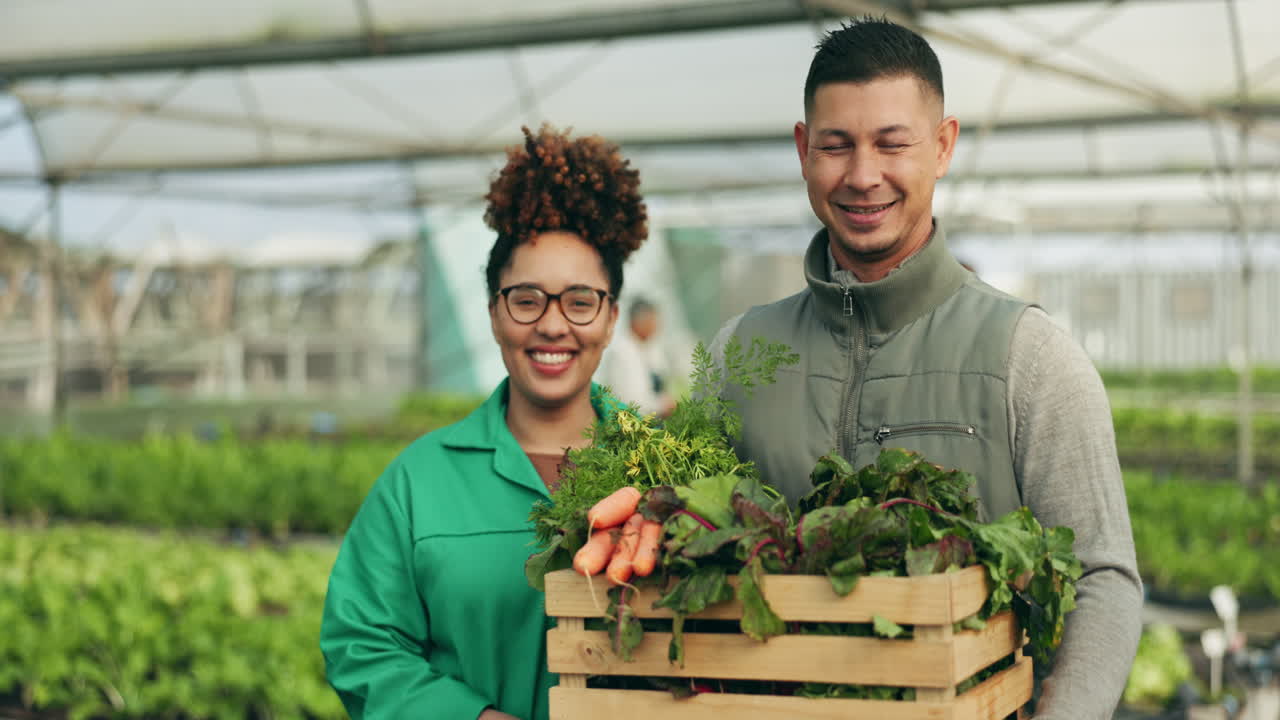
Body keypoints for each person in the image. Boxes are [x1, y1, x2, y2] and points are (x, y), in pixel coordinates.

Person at [710, 18, 1142, 720]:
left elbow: (1104, 580)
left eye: (892, 143)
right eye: (836, 146)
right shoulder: (736, 355)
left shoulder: (1029, 357)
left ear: (942, 147)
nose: (862, 176)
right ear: (802, 150)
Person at [319, 124, 647, 720]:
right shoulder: (419, 480)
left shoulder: (670, 469)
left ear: (611, 317)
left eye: (579, 301)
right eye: (526, 299)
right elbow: (361, 644)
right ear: (494, 313)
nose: (552, 325)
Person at [598, 297, 676, 416]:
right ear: (638, 322)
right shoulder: (623, 353)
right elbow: (633, 402)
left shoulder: (649, 348)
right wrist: (663, 405)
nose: (656, 327)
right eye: (653, 321)